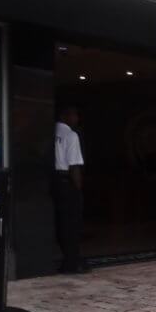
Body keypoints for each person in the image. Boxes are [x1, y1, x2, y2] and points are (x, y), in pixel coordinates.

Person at [53, 104, 87, 274]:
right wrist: (78, 189)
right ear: (65, 115)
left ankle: (68, 259)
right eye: (74, 115)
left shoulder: (51, 132)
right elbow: (74, 166)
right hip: (67, 181)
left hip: (54, 181)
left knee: (61, 222)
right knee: (72, 223)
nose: (77, 119)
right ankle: (72, 261)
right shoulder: (70, 135)